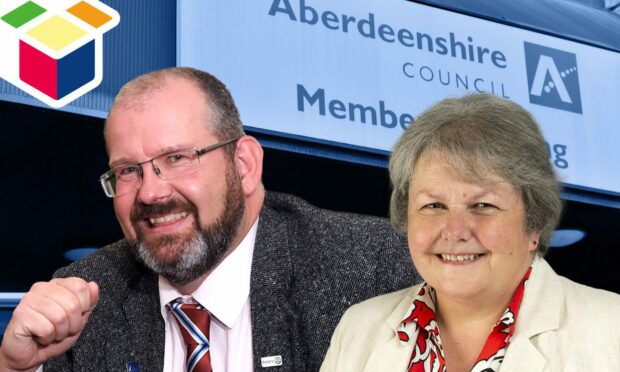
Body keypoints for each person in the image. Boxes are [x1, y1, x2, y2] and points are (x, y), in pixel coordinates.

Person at [0, 67, 419, 372]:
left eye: (177, 158)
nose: (150, 192)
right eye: (129, 171)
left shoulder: (375, 269)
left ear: (245, 165)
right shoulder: (86, 300)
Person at [320, 93, 620, 372]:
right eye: (434, 205)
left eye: (483, 205)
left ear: (535, 224)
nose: (454, 231)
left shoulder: (611, 329)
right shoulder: (360, 329)